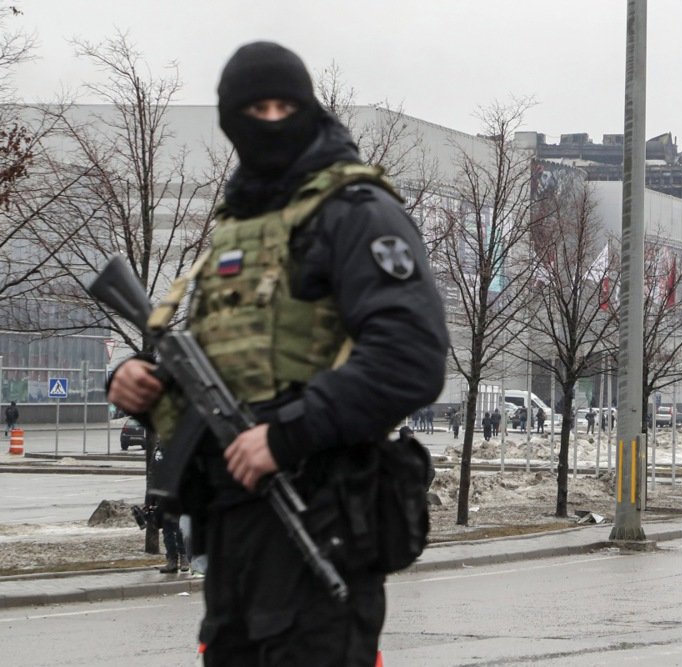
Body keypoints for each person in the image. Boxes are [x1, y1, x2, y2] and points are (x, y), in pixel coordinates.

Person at [107, 41, 448, 667]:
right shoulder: (235, 228)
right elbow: (228, 373)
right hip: (233, 535)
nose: (268, 120)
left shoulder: (357, 213)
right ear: (230, 121)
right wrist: (143, 385)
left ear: (309, 108)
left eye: (283, 105)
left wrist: (286, 434)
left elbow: (412, 356)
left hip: (320, 519)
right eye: (252, 108)